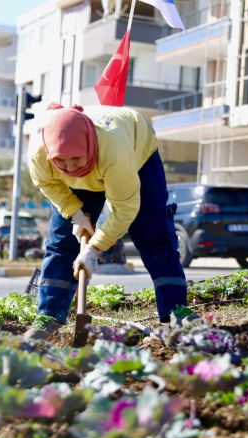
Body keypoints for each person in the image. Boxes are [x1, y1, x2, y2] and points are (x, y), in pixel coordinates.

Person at [24, 103, 193, 339]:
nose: (70, 167)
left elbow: (125, 209)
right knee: (62, 243)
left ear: (87, 148)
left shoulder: (115, 151)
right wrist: (75, 213)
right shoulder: (39, 154)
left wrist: (94, 248)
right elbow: (48, 184)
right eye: (61, 161)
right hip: (90, 169)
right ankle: (49, 314)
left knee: (153, 233)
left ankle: (176, 308)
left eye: (75, 159)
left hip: (137, 151)